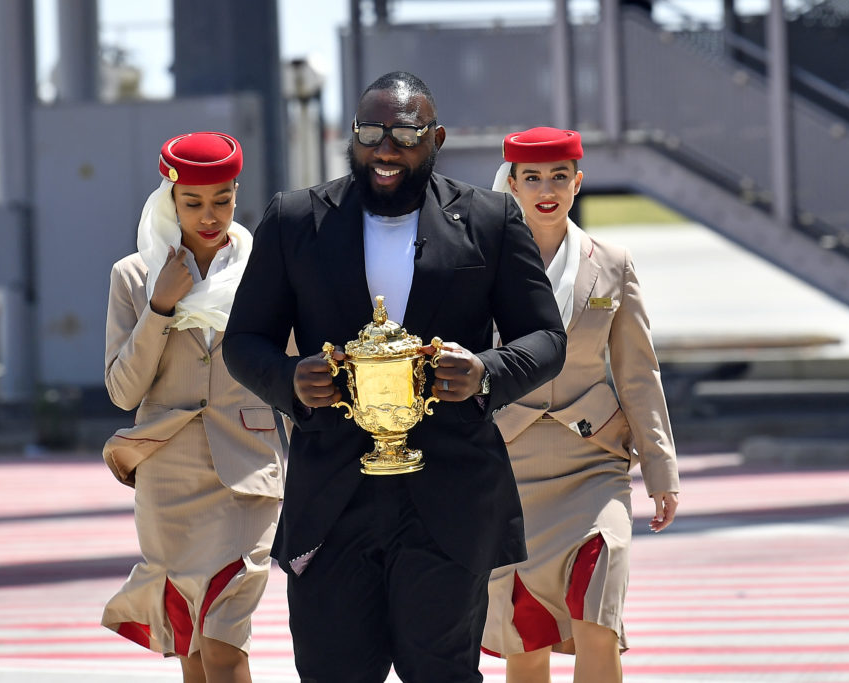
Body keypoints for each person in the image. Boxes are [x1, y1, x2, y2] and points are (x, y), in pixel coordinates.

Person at [222, 71, 567, 682]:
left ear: (436, 137)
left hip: (450, 496)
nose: (386, 149)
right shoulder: (295, 220)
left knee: (440, 672)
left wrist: (485, 372)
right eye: (371, 132)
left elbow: (544, 338)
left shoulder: (490, 219)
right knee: (334, 672)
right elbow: (245, 341)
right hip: (331, 498)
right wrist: (289, 381)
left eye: (406, 133)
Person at [480, 127, 680, 683]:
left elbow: (639, 371)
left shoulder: (613, 262)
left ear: (578, 182)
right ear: (513, 184)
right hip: (508, 470)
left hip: (596, 464)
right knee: (526, 638)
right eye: (534, 178)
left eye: (560, 177)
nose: (548, 189)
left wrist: (662, 469)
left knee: (599, 620)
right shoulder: (479, 266)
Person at [100, 131, 285, 683]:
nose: (210, 215)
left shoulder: (266, 272)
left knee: (225, 641)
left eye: (223, 200)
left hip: (248, 472)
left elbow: (292, 372)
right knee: (194, 648)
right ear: (169, 200)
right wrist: (160, 305)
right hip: (168, 476)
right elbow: (123, 391)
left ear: (236, 195)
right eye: (194, 203)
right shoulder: (133, 277)